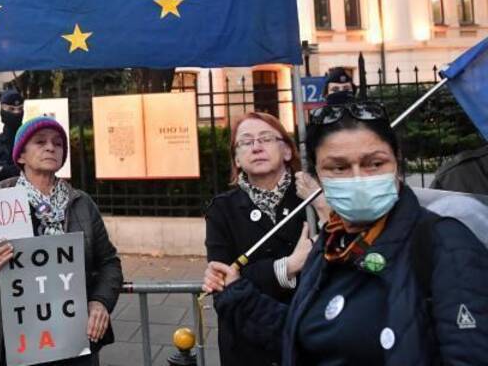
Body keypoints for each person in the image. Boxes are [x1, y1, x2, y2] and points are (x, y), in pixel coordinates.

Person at [204, 101, 488, 364]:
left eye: (374, 163)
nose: (358, 178)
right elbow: (304, 338)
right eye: (338, 167)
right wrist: (237, 294)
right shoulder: (331, 245)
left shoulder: (444, 244)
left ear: (397, 163)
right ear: (319, 172)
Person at [0, 116, 123, 365]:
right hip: (18, 345)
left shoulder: (82, 204)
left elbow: (109, 263)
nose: (51, 147)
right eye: (40, 142)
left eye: (58, 143)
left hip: (76, 341)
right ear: (20, 156)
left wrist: (100, 302)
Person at [204, 112, 327, 366]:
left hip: (308, 341)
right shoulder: (222, 209)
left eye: (266, 138)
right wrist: (290, 266)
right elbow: (224, 284)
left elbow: (338, 266)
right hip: (247, 348)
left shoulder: (312, 198)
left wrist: (322, 205)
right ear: (236, 159)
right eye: (246, 142)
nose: (256, 147)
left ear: (287, 151)